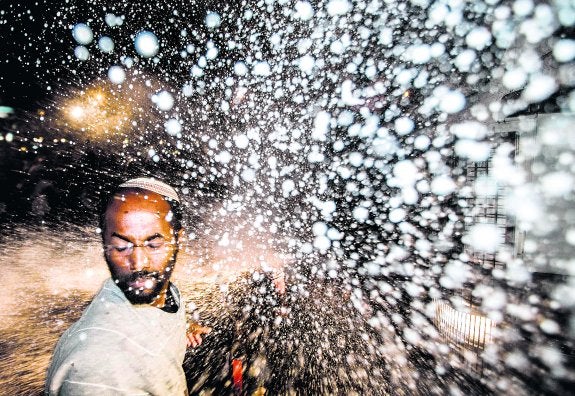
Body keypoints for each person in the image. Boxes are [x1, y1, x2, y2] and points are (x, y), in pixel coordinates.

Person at [45, 177, 210, 395]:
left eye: (154, 244)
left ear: (178, 240)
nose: (138, 263)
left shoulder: (162, 293)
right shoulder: (101, 368)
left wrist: (180, 330)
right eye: (122, 246)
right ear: (103, 243)